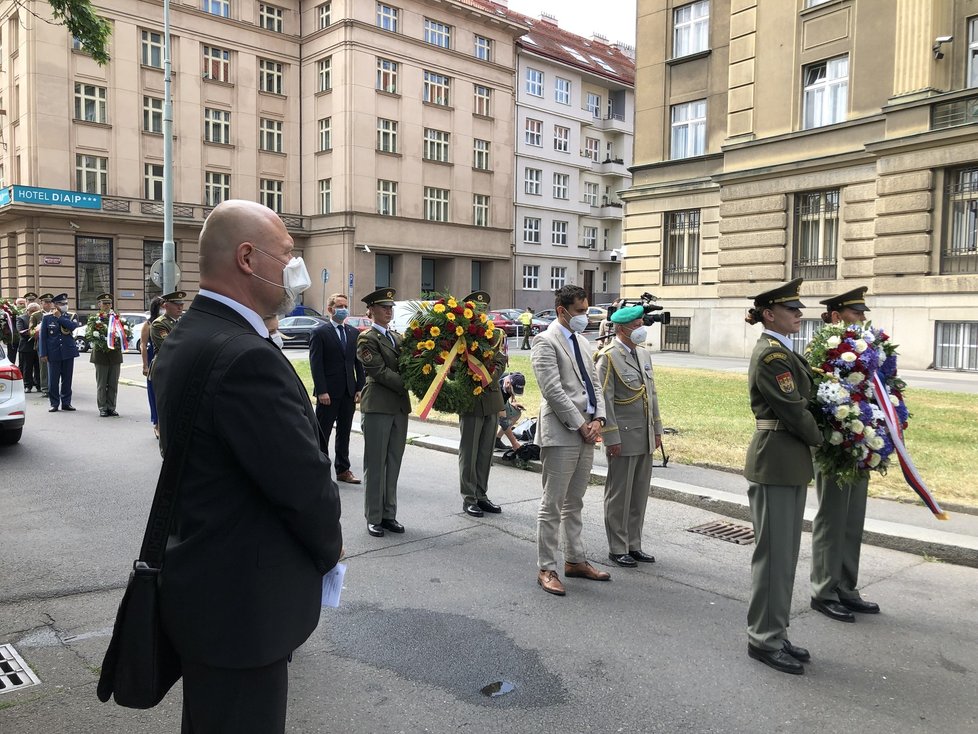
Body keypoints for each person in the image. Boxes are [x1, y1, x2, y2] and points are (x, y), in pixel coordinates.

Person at [150, 199, 342, 733]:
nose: (294, 268)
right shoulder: (246, 356)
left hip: (207, 585)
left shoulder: (193, 334)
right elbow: (302, 484)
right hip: (242, 603)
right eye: (285, 255)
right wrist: (331, 552)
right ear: (247, 258)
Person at [743, 278, 823, 675]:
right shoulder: (772, 355)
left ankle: (776, 628)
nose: (799, 314)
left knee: (786, 554)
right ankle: (763, 638)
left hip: (788, 461)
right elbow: (792, 409)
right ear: (770, 314)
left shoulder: (784, 351)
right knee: (774, 556)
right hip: (775, 459)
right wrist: (826, 438)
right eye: (792, 309)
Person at [531, 284, 610, 596]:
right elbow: (552, 390)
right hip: (563, 431)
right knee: (553, 504)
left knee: (574, 502)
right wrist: (580, 424)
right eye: (579, 311)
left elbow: (594, 384)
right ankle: (546, 567)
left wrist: (598, 419)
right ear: (561, 310)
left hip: (587, 431)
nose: (585, 317)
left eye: (586, 309)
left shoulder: (581, 340)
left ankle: (575, 560)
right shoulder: (544, 341)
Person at [809, 286, 880, 623]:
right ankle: (824, 590)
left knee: (853, 518)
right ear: (837, 316)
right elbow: (816, 401)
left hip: (862, 442)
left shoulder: (866, 351)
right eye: (857, 312)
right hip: (835, 445)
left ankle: (847, 587)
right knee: (833, 517)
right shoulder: (821, 351)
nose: (863, 318)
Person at [595, 305, 663, 568]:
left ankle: (634, 543)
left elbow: (652, 395)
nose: (641, 328)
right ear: (621, 329)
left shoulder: (644, 355)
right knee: (619, 494)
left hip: (644, 434)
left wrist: (657, 429)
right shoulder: (608, 357)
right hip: (622, 436)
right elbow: (605, 401)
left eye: (641, 323)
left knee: (639, 493)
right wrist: (610, 437)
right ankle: (617, 546)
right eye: (636, 325)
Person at [356, 287, 411, 537]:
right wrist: (409, 382)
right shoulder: (367, 339)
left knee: (393, 463)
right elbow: (378, 371)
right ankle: (374, 516)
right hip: (378, 405)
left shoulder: (398, 338)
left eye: (391, 308)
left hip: (398, 407)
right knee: (376, 464)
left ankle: (389, 514)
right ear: (372, 311)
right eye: (384, 307)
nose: (389, 311)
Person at [458, 291, 508, 517]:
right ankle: (469, 497)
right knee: (469, 451)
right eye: (475, 309)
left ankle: (481, 494)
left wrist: (488, 375)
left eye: (483, 309)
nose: (480, 313)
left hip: (491, 396)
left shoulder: (496, 334)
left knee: (486, 450)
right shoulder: (460, 336)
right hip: (469, 398)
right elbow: (454, 368)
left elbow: (501, 359)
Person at [310, 292, 365, 485]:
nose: (343, 309)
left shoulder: (353, 333)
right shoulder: (320, 333)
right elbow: (316, 365)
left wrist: (360, 387)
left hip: (348, 392)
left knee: (345, 431)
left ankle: (343, 469)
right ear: (330, 309)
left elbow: (358, 363)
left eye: (345, 306)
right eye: (339, 306)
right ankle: (320, 470)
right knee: (323, 432)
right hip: (328, 394)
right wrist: (322, 390)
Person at [37, 293, 80, 412]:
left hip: (68, 352)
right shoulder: (47, 317)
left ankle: (66, 403)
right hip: (53, 352)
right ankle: (54, 403)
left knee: (67, 379)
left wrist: (60, 317)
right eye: (62, 304)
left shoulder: (71, 316)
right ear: (55, 305)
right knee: (53, 380)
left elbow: (72, 327)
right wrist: (43, 353)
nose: (65, 305)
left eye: (66, 303)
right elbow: (43, 337)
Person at [89, 293, 126, 417]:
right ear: (99, 304)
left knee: (113, 383)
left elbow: (124, 333)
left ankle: (111, 407)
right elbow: (90, 335)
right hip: (101, 355)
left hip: (115, 355)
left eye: (109, 303)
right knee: (102, 383)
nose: (107, 305)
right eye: (105, 303)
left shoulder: (117, 318)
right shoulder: (94, 318)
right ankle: (102, 407)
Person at [141, 297, 163, 438]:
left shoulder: (168, 323)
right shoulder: (148, 324)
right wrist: (145, 365)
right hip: (152, 362)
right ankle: (157, 424)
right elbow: (143, 345)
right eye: (162, 306)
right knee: (154, 394)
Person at [29, 293, 54, 397]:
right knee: (43, 367)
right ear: (41, 303)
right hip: (42, 344)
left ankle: (53, 386)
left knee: (54, 366)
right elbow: (30, 331)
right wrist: (37, 330)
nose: (48, 304)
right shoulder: (36, 315)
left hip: (54, 344)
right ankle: (45, 388)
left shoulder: (55, 313)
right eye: (46, 302)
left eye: (49, 302)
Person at [496, 372, 526, 451]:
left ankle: (496, 440)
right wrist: (514, 443)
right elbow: (503, 421)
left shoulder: (513, 376)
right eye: (513, 391)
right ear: (508, 383)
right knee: (499, 421)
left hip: (502, 402)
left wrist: (513, 402)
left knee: (516, 413)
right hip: (488, 406)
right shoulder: (498, 391)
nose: (513, 393)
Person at [16, 303, 41, 392]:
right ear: (27, 311)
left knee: (38, 367)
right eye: (32, 311)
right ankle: (27, 385)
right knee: (27, 367)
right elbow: (21, 331)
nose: (33, 313)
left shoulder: (41, 317)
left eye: (36, 311)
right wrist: (35, 332)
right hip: (26, 346)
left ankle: (39, 384)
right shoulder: (21, 318)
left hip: (38, 346)